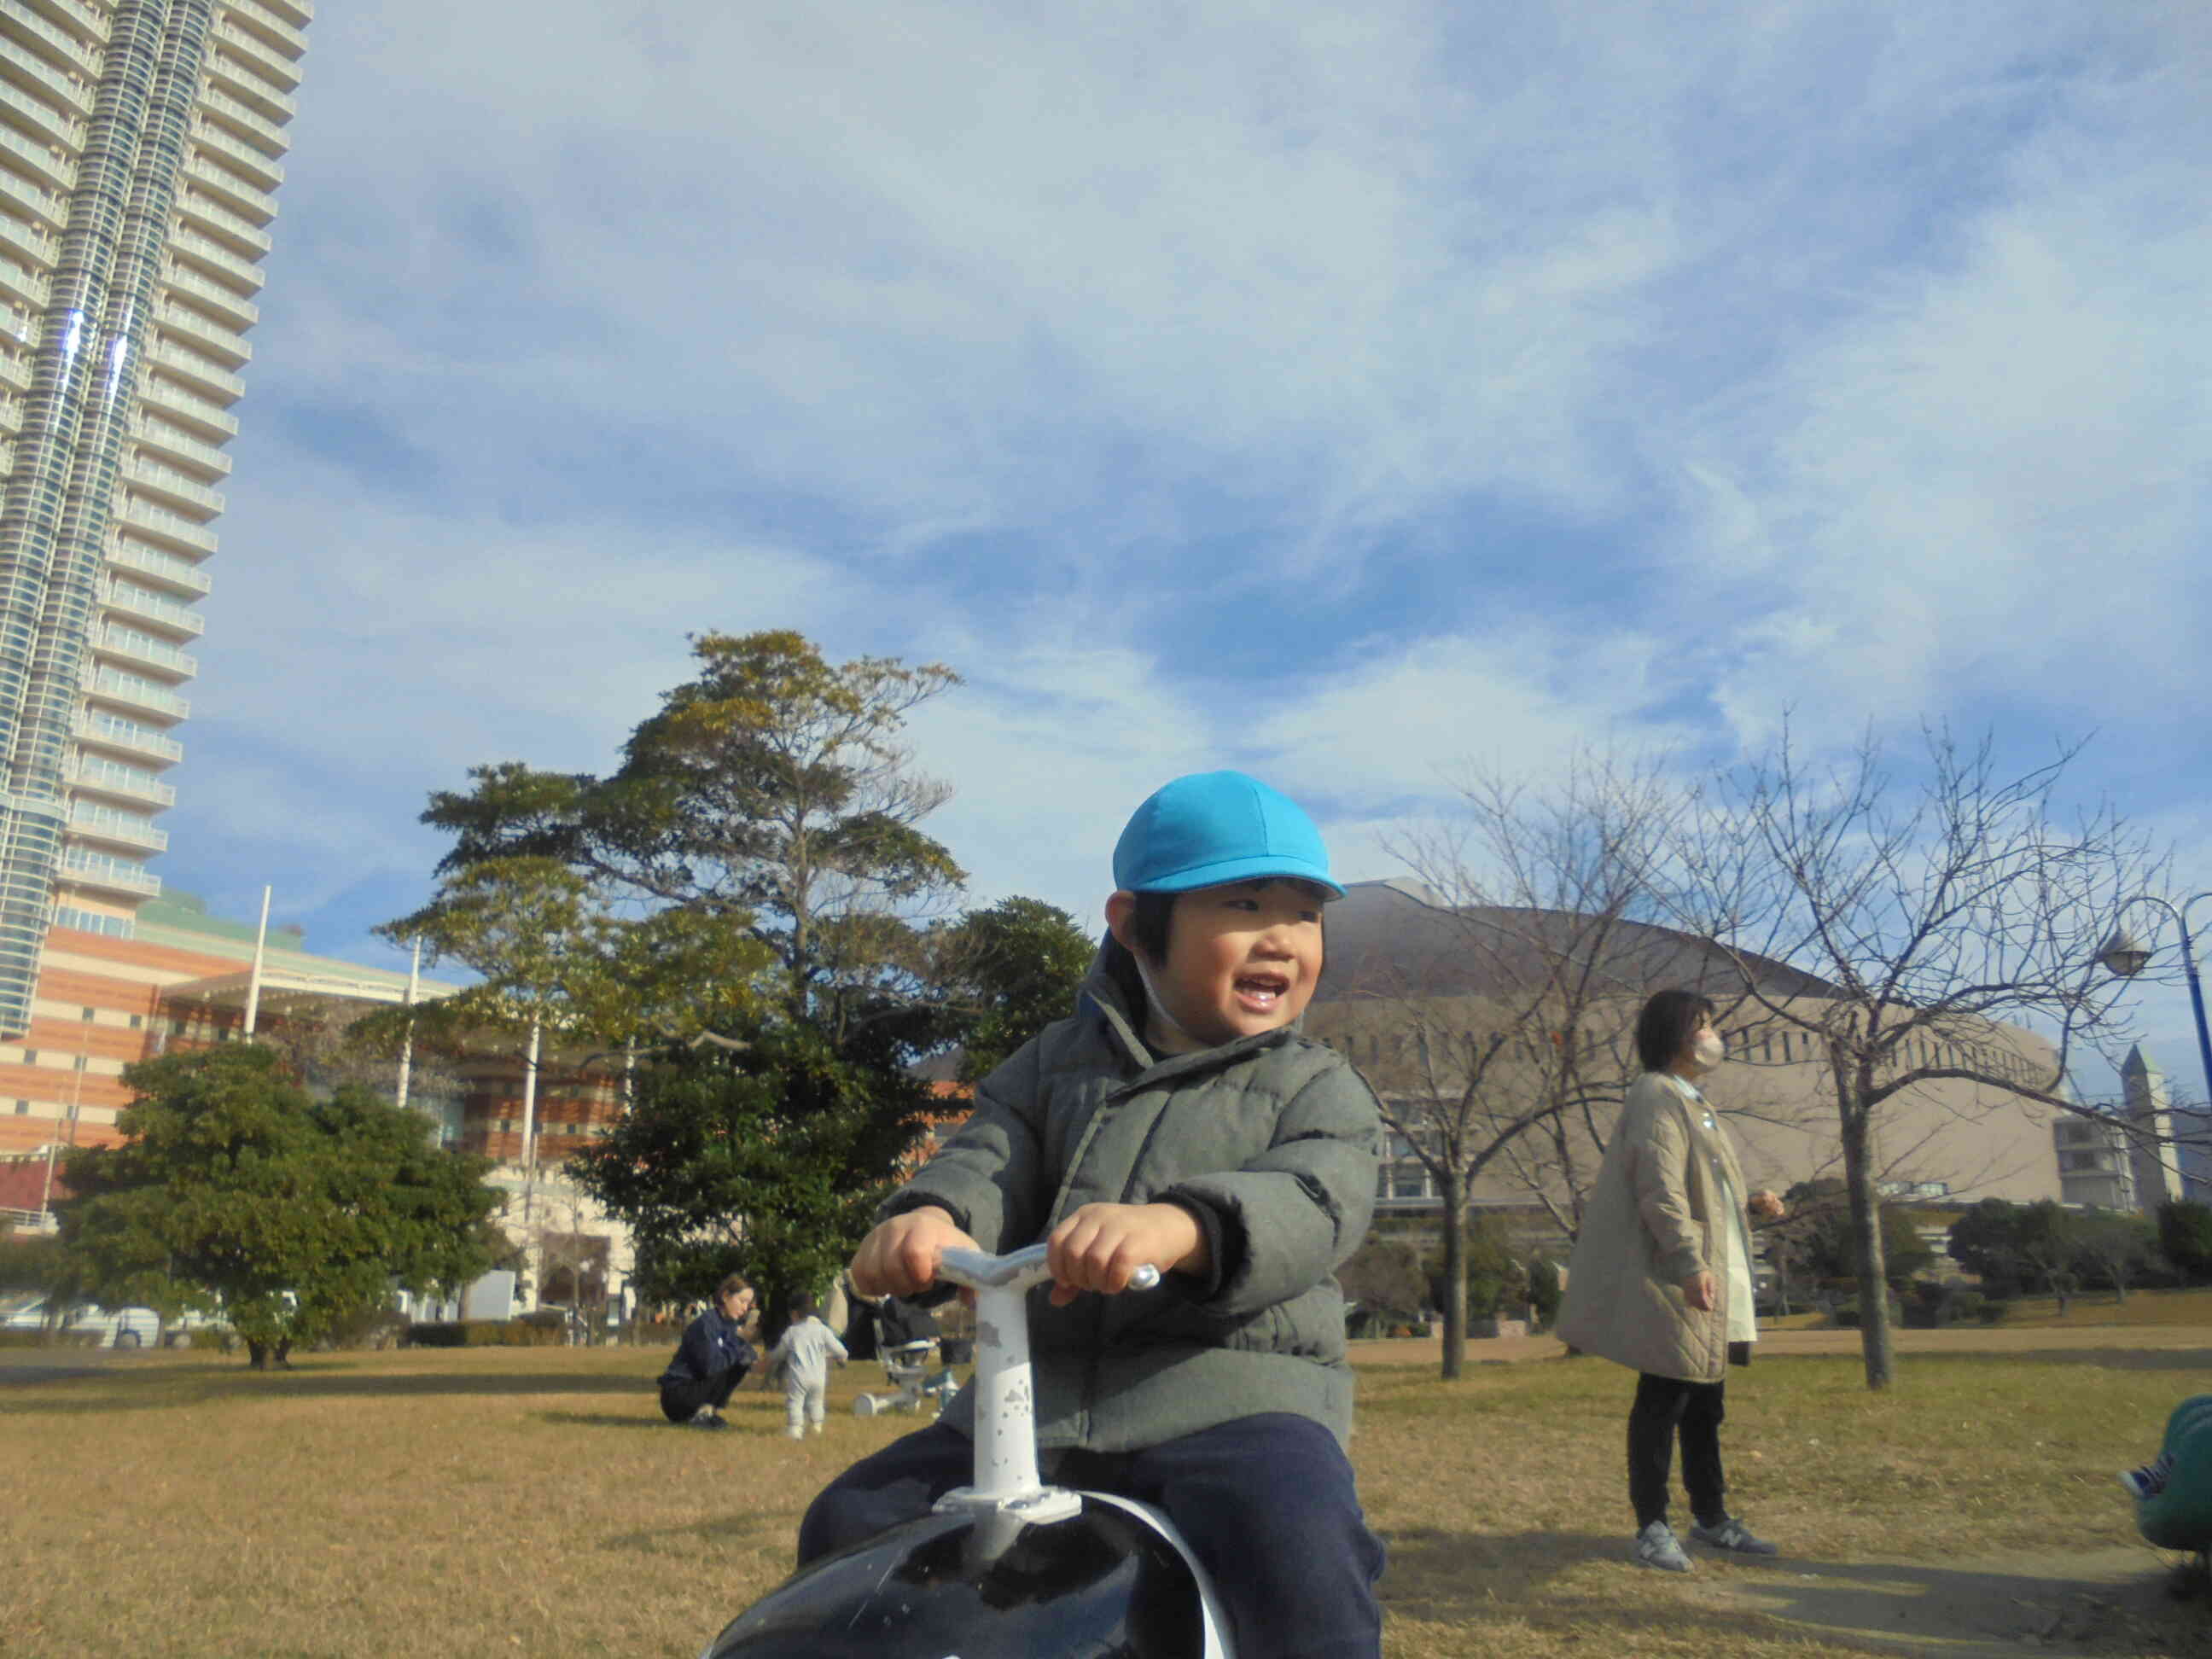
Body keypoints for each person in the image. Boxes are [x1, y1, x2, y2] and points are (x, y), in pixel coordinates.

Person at [796, 770, 1388, 1659]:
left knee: (1300, 1551)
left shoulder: (1316, 1086)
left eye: (1305, 914)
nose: (1283, 939)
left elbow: (1319, 1195)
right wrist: (931, 1216)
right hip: (1033, 1406)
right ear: (1134, 924)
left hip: (1233, 1404)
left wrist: (1184, 1228)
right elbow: (989, 1156)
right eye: (1243, 902)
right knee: (851, 1521)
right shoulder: (1053, 1066)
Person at [1556, 988, 1787, 1573]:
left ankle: (1710, 1518)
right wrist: (1688, 1263)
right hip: (1679, 1277)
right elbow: (1660, 1189)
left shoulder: (1692, 1099)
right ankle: (1652, 1527)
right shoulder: (1658, 1095)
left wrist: (1749, 1203)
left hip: (1709, 1273)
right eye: (1703, 1025)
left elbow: (1702, 1189)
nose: (1713, 1036)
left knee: (1706, 1403)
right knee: (1663, 1401)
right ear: (1675, 1035)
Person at [658, 1273, 758, 1430]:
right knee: (729, 1360)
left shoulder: (730, 1325)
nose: (745, 1308)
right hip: (677, 1395)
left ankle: (706, 1412)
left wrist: (750, 1352)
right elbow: (711, 1366)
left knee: (742, 1360)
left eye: (748, 1303)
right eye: (742, 1301)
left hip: (695, 1390)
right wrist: (738, 1341)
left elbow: (747, 1357)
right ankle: (701, 1412)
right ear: (725, 1296)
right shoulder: (706, 1325)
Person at [765, 1290, 849, 1440]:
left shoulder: (792, 1331)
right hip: (818, 1377)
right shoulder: (823, 1330)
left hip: (798, 1375)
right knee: (816, 1401)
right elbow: (840, 1350)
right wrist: (842, 1358)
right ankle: (817, 1426)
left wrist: (769, 1358)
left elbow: (779, 1352)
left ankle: (795, 1429)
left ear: (795, 1313)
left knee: (795, 1401)